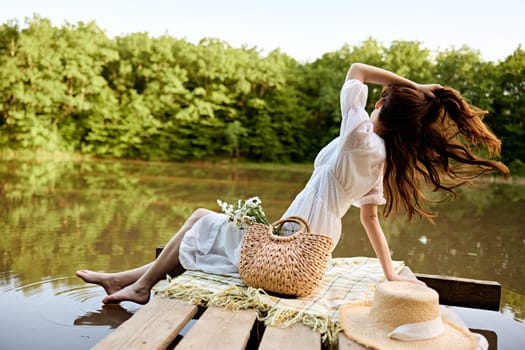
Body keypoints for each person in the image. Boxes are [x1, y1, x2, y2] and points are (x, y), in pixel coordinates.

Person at [76, 63, 509, 304]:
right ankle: (127, 280)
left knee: (198, 219)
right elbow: (371, 221)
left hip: (290, 242)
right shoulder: (381, 159)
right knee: (208, 235)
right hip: (312, 253)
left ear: (380, 103)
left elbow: (357, 68)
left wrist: (413, 85)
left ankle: (139, 285)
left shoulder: (358, 134)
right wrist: (390, 271)